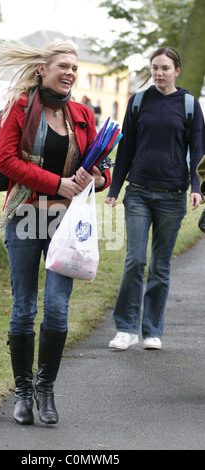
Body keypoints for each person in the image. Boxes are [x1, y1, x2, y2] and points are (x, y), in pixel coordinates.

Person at [0, 41, 111, 425]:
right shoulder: (21, 107)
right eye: (63, 66)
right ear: (43, 69)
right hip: (25, 216)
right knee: (24, 307)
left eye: (74, 67)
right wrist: (57, 183)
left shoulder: (82, 114)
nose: (70, 72)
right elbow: (4, 160)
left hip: (65, 226)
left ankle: (45, 389)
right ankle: (22, 392)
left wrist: (97, 178)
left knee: (57, 309)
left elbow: (102, 170)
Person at [105, 46, 205, 351]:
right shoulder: (138, 102)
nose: (159, 73)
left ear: (176, 71)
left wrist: (197, 187)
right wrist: (113, 189)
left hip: (173, 197)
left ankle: (151, 330)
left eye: (165, 68)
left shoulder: (189, 105)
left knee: (160, 266)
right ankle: (125, 328)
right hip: (137, 193)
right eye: (155, 67)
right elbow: (126, 149)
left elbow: (199, 151)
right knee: (135, 261)